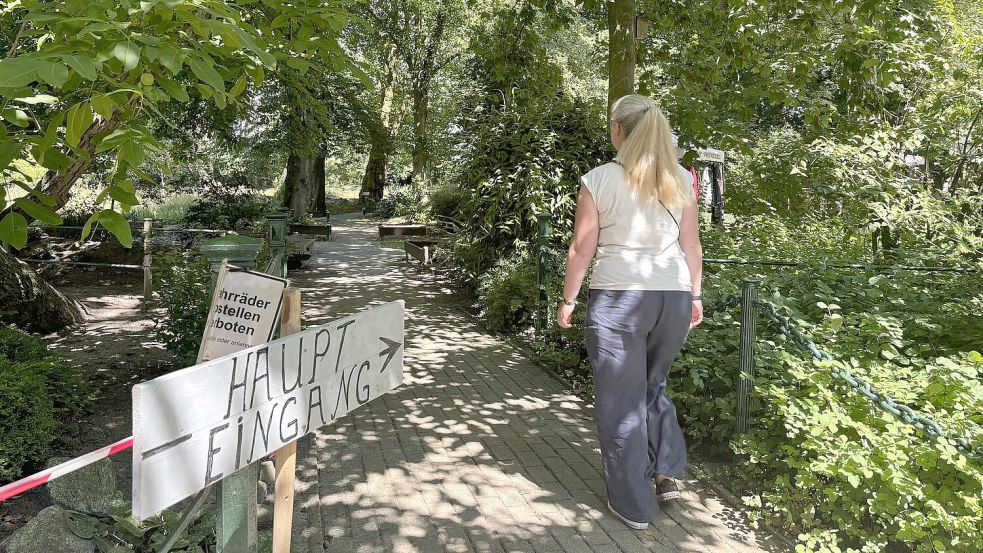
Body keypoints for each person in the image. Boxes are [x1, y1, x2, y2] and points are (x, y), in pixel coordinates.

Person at [556, 94, 703, 531]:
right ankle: (668, 472)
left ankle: (634, 505)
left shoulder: (599, 179)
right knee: (653, 386)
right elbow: (690, 245)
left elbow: (583, 247)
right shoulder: (680, 179)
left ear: (619, 131)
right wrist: (695, 296)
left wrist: (568, 299)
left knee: (620, 401)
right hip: (672, 296)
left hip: (620, 297)